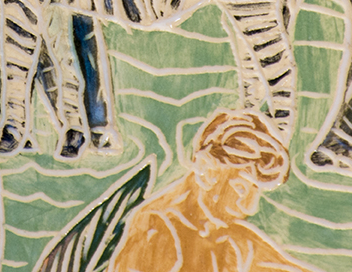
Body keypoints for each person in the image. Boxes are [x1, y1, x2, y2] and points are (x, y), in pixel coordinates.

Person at [110, 110, 315, 272]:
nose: (250, 207)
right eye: (241, 188)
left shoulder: (228, 234)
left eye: (256, 193)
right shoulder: (156, 229)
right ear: (207, 171)